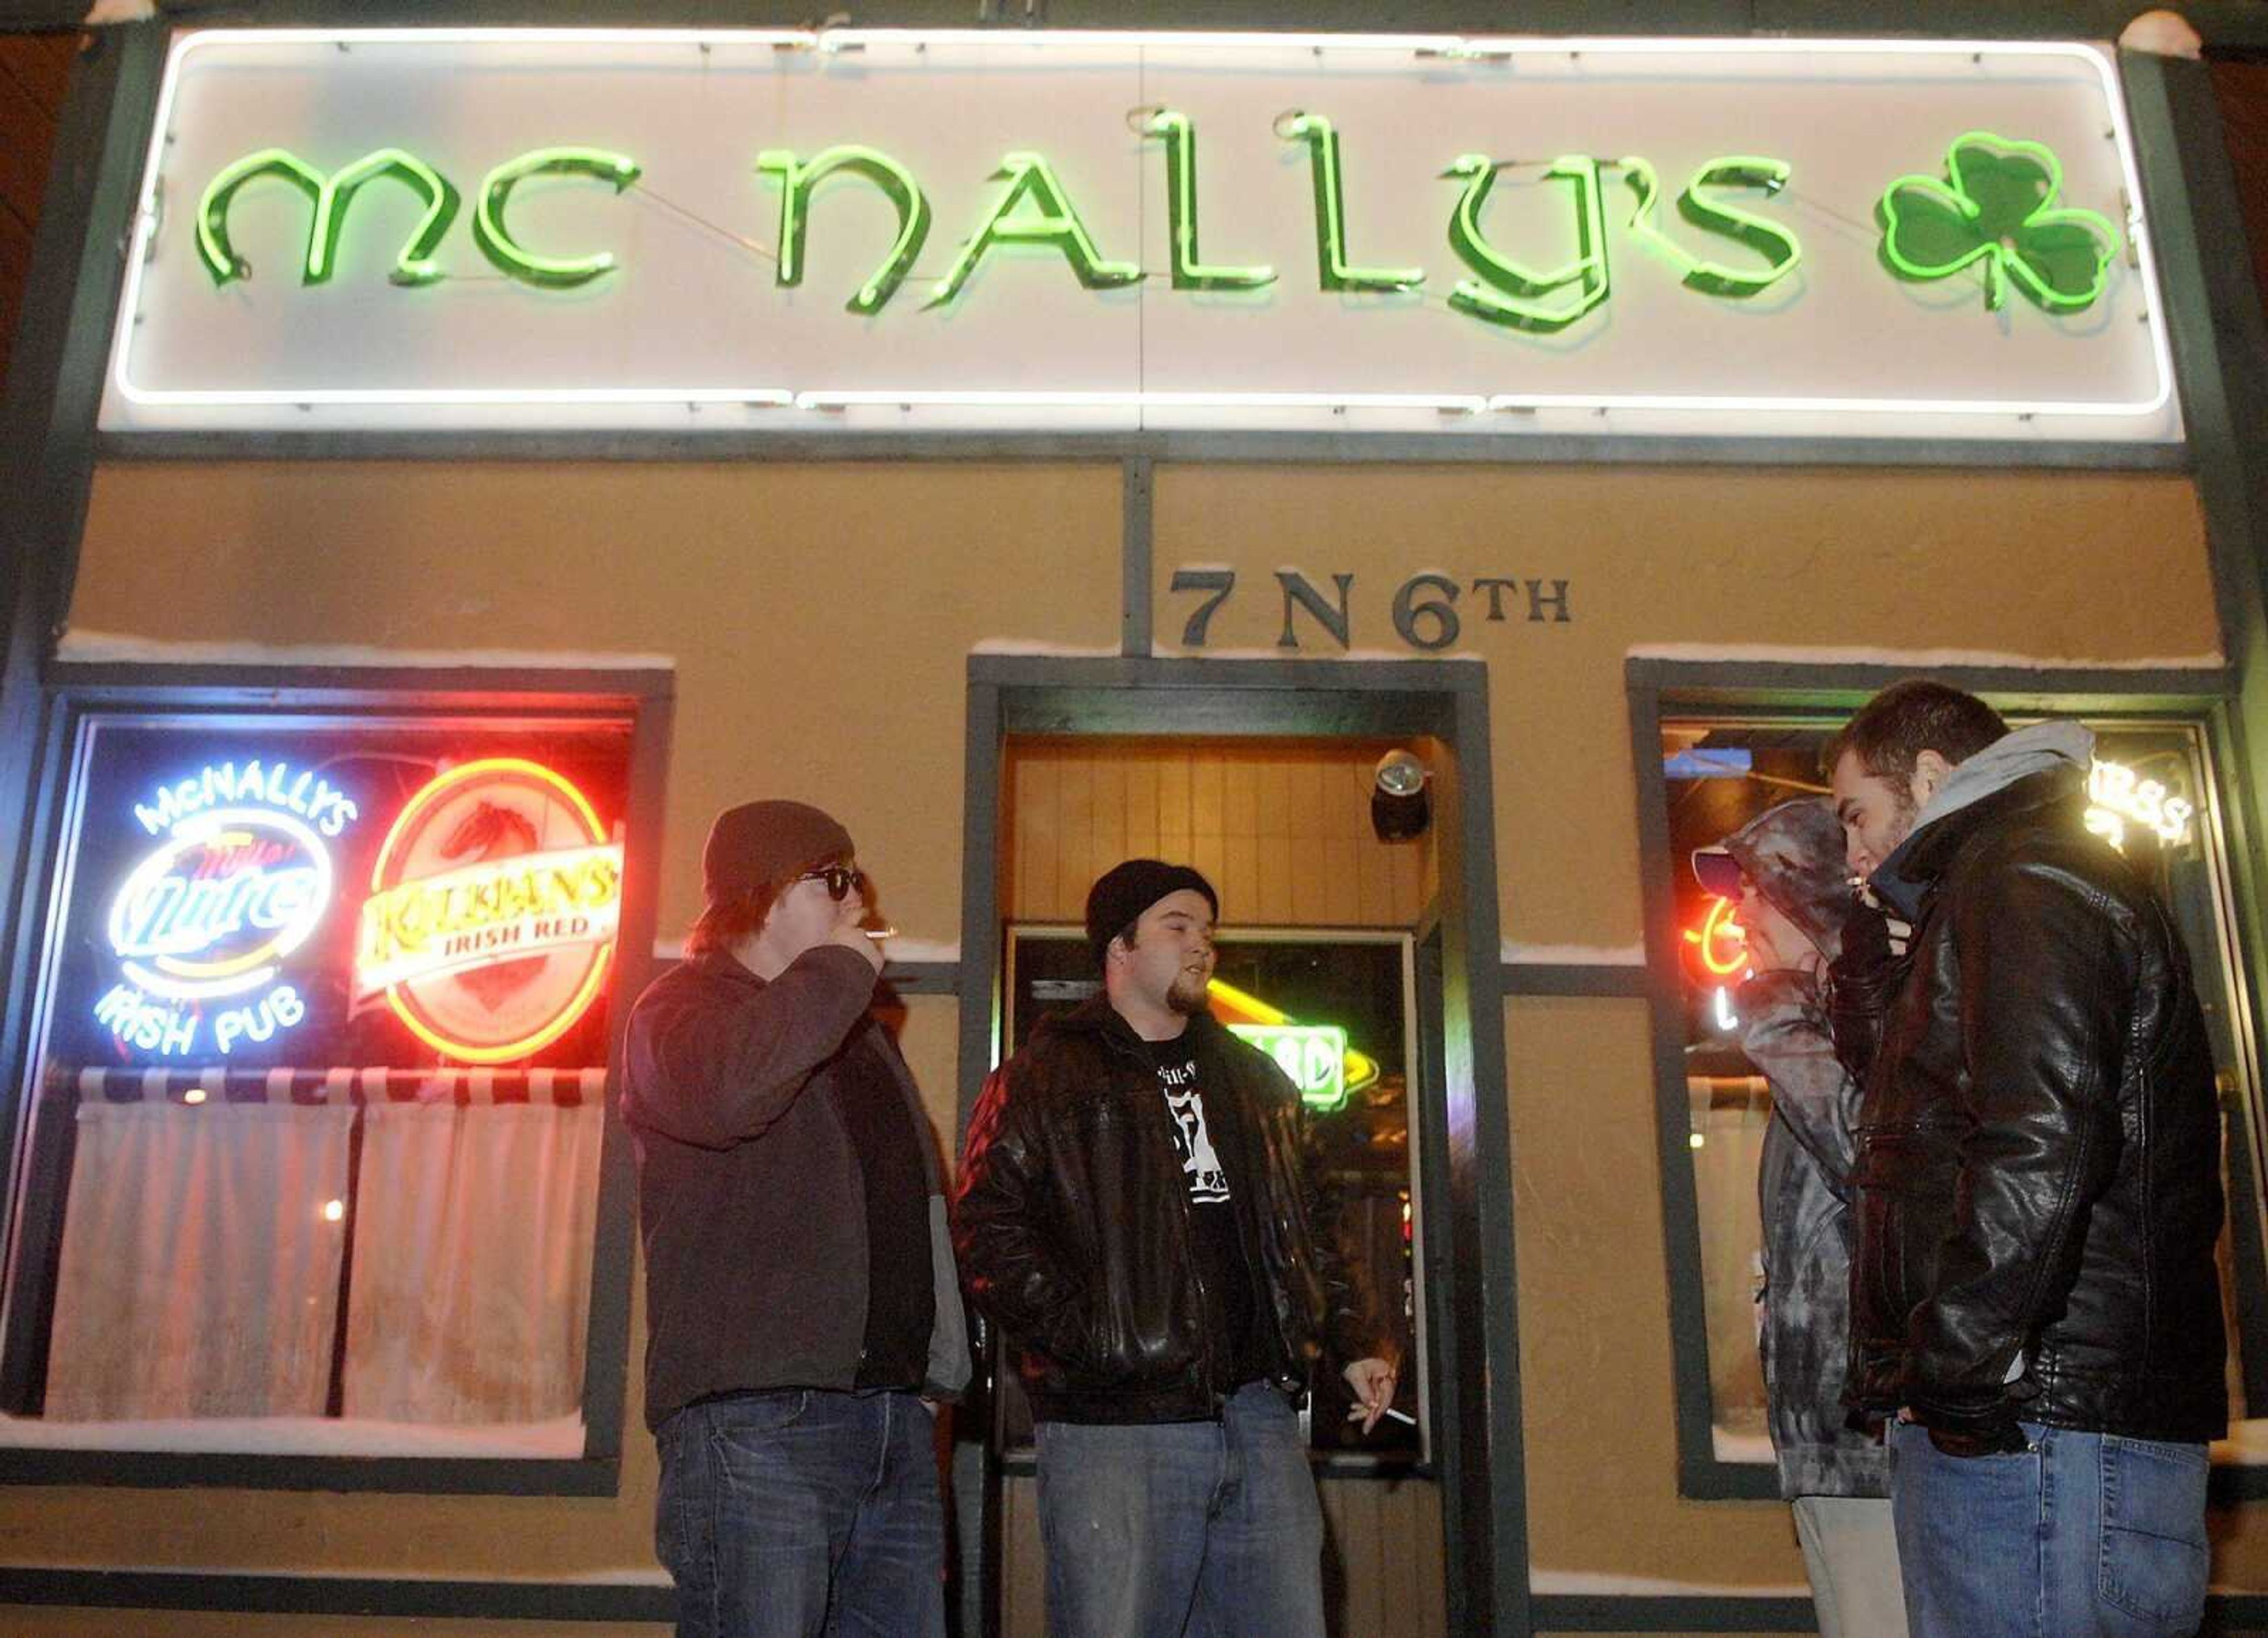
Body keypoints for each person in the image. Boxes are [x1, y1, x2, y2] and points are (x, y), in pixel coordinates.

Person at [1828, 680, 2226, 1638]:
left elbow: (2040, 1140)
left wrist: (1954, 1371)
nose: (1851, 851)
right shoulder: (2000, 878)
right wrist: (1879, 963)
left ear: (1930, 774)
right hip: (2042, 1421)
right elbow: (1929, 1121)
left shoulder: (2024, 872)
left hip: (2038, 1428)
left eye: (1857, 816)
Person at [953, 859, 1399, 1638]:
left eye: (1209, 931)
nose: (1203, 947)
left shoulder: (1259, 1082)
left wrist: (1354, 1339)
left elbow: (1316, 1220)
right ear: (1118, 946)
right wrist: (1093, 1340)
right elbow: (986, 1227)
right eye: (1179, 926)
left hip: (1259, 1414)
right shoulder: (1046, 1075)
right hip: (1115, 1427)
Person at [623, 800, 969, 1638]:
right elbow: (732, 1089)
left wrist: (934, 1375)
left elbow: (915, 1203)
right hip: (760, 1426)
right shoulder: (677, 1012)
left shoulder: (856, 1039)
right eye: (836, 882)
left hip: (889, 1420)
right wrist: (838, 970)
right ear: (762, 893)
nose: (861, 908)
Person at [1695, 800, 1905, 1638]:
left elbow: (1875, 1159)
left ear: (1816, 901)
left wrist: (1777, 1011)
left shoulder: (1872, 1020)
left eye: (1757, 890)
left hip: (1879, 1453)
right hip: (1829, 1448)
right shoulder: (1807, 1028)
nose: (1736, 911)